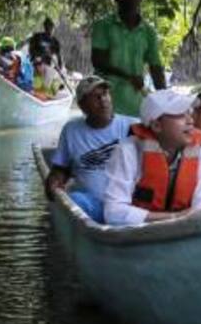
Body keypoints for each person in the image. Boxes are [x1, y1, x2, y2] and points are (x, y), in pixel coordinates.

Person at [102, 88, 201, 225]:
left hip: (183, 233)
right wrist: (175, 217)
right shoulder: (128, 151)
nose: (190, 120)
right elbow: (113, 213)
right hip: (137, 235)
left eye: (189, 112)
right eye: (180, 114)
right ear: (156, 125)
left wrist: (180, 218)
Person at [45, 77, 137, 223]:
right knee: (74, 200)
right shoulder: (71, 130)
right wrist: (54, 181)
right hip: (94, 207)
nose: (103, 100)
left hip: (130, 204)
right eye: (96, 97)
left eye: (105, 94)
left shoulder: (133, 126)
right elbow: (61, 169)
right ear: (82, 105)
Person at [90, 0, 165, 118]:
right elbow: (98, 61)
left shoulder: (148, 32)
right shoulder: (103, 26)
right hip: (105, 105)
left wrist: (165, 98)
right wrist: (128, 76)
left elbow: (156, 68)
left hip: (135, 107)